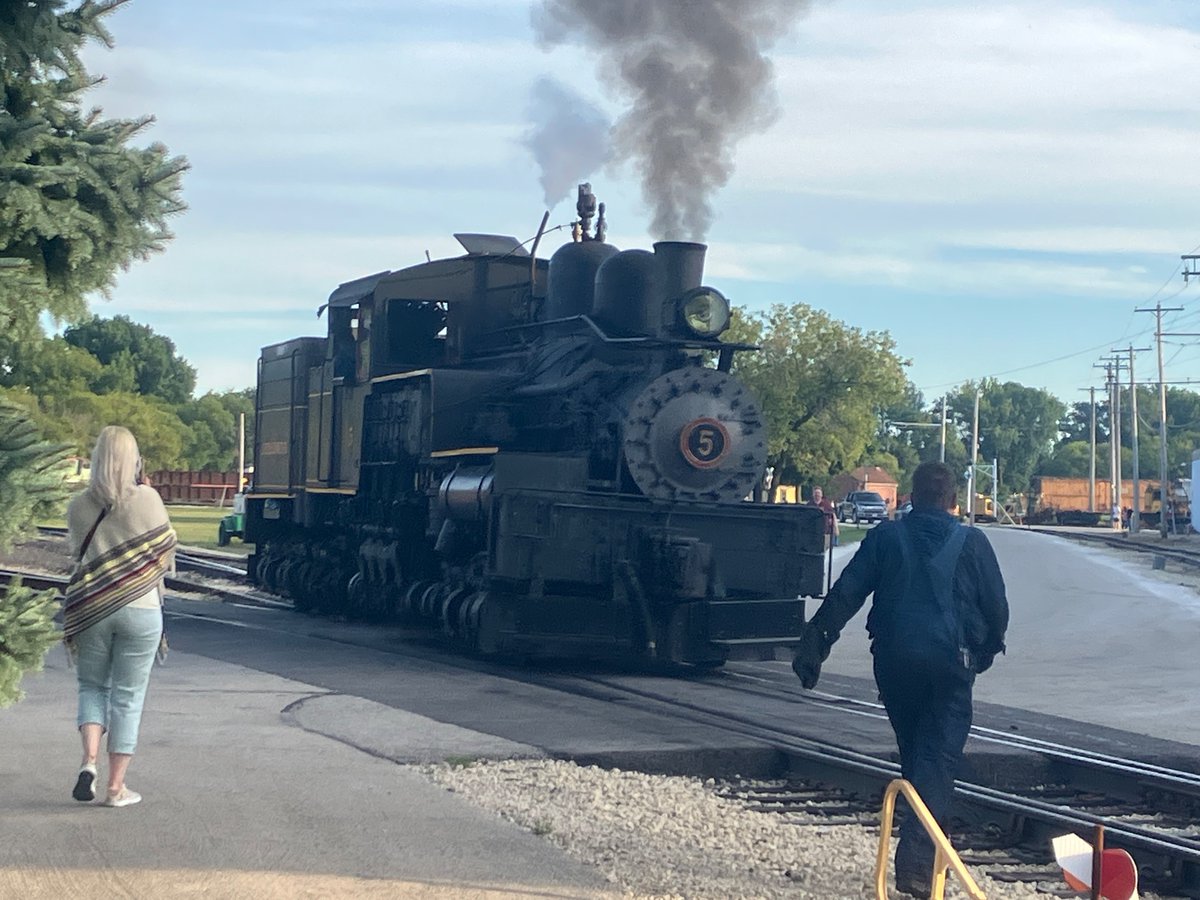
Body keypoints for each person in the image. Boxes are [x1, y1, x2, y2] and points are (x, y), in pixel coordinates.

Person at [791, 462, 1008, 898]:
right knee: (936, 760)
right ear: (952, 501)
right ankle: (918, 867)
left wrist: (815, 644)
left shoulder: (886, 538)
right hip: (950, 667)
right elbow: (997, 608)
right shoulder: (973, 542)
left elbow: (847, 593)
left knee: (918, 757)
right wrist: (985, 652)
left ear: (911, 496)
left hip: (894, 666)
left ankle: (933, 854)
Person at [63, 426, 177, 808]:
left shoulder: (78, 505)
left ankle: (88, 762)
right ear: (134, 460)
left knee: (92, 686)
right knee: (128, 697)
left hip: (92, 609)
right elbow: (166, 552)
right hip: (141, 609)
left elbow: (77, 555)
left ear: (97, 459)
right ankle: (116, 788)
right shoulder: (148, 499)